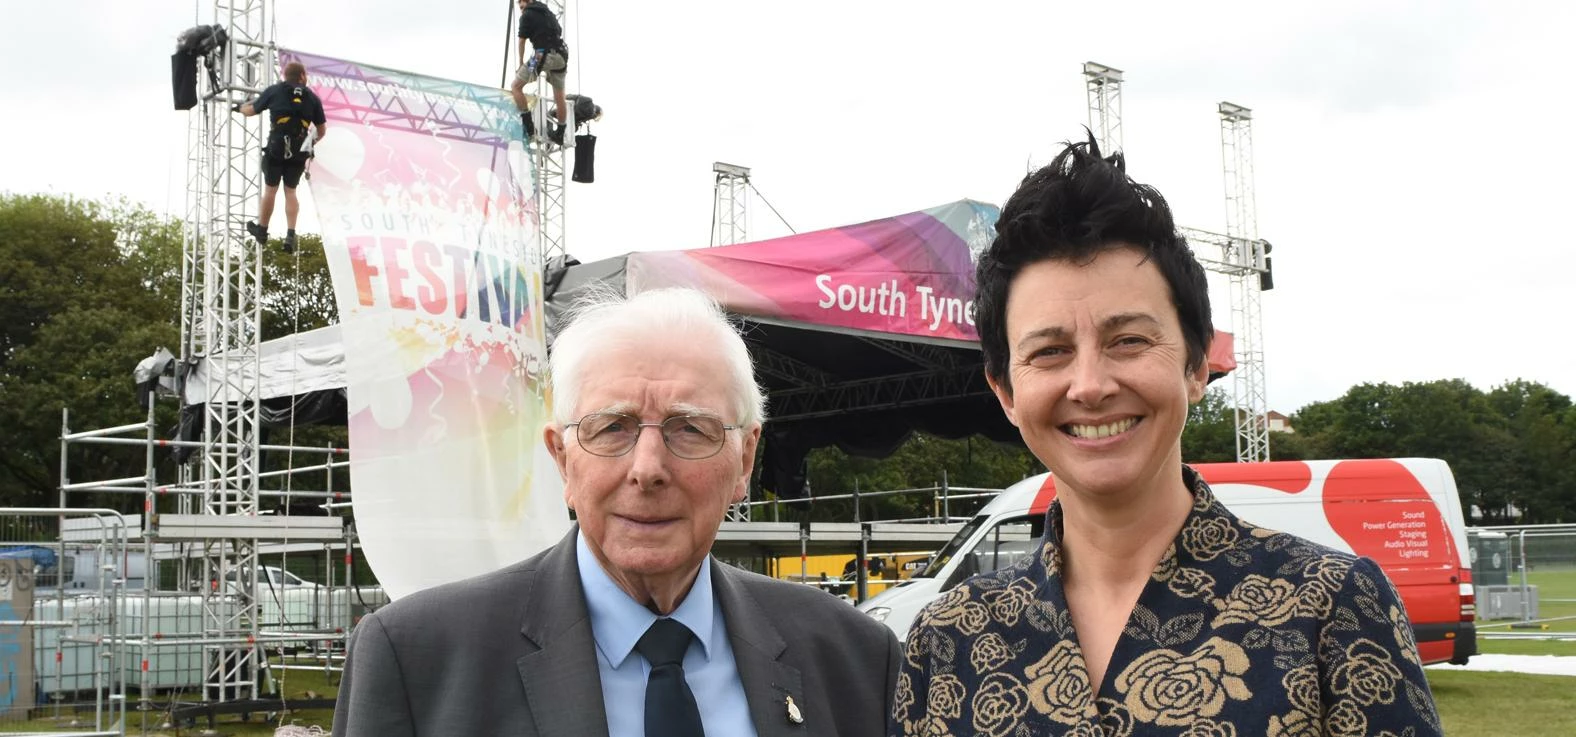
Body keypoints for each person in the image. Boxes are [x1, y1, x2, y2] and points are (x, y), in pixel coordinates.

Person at [890, 137, 1442, 737]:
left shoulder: (1332, 608)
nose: (1091, 385)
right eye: (1050, 352)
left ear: (1197, 365)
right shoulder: (949, 639)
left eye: (1129, 340)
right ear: (1006, 393)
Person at [333, 287, 900, 737]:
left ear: (745, 459)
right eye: (612, 428)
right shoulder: (418, 659)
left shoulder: (854, 659)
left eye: (690, 428)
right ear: (562, 459)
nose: (647, 468)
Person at [235, 61, 325, 254]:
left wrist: (240, 108)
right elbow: (321, 130)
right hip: (300, 148)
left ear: (286, 76)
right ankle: (290, 235)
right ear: (302, 76)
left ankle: (262, 230)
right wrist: (309, 144)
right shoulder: (312, 98)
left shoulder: (274, 91)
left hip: (276, 146)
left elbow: (251, 111)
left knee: (271, 190)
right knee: (290, 191)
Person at [511, 0, 569, 145]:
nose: (521, 8)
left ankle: (529, 129)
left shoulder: (526, 16)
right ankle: (560, 133)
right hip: (562, 56)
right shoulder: (547, 11)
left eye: (521, 5)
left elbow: (521, 42)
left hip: (540, 56)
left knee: (516, 86)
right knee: (559, 96)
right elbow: (558, 31)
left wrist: (520, 62)